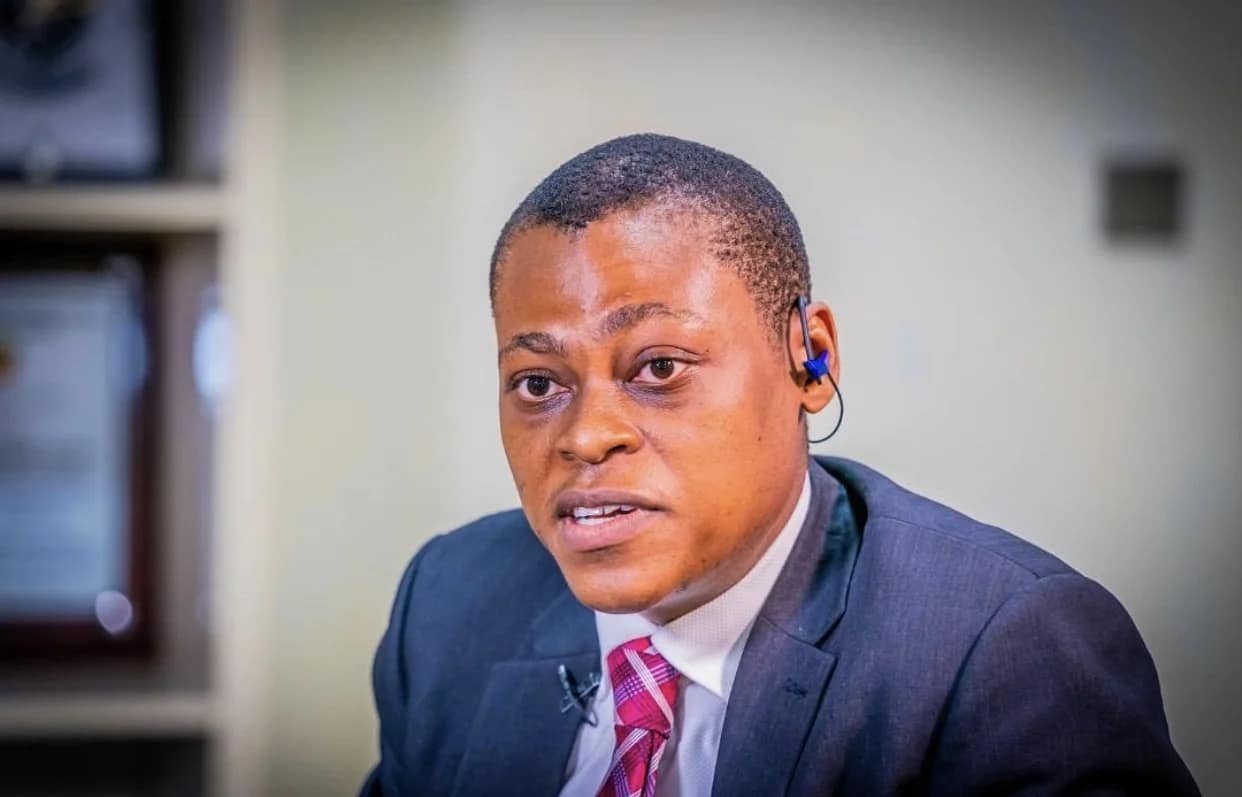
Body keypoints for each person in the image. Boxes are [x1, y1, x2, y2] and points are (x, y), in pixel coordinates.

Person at [360, 134, 1198, 796]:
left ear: (810, 357)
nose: (585, 436)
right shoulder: (450, 604)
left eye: (659, 367)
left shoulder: (1004, 654)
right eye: (538, 383)